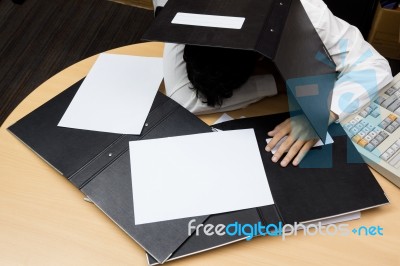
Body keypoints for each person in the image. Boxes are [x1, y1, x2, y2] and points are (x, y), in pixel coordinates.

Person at [156, 0, 393, 167]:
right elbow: (182, 96)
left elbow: (375, 68)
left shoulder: (309, 14)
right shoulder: (177, 10)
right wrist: (276, 84)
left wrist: (321, 114)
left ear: (260, 56)